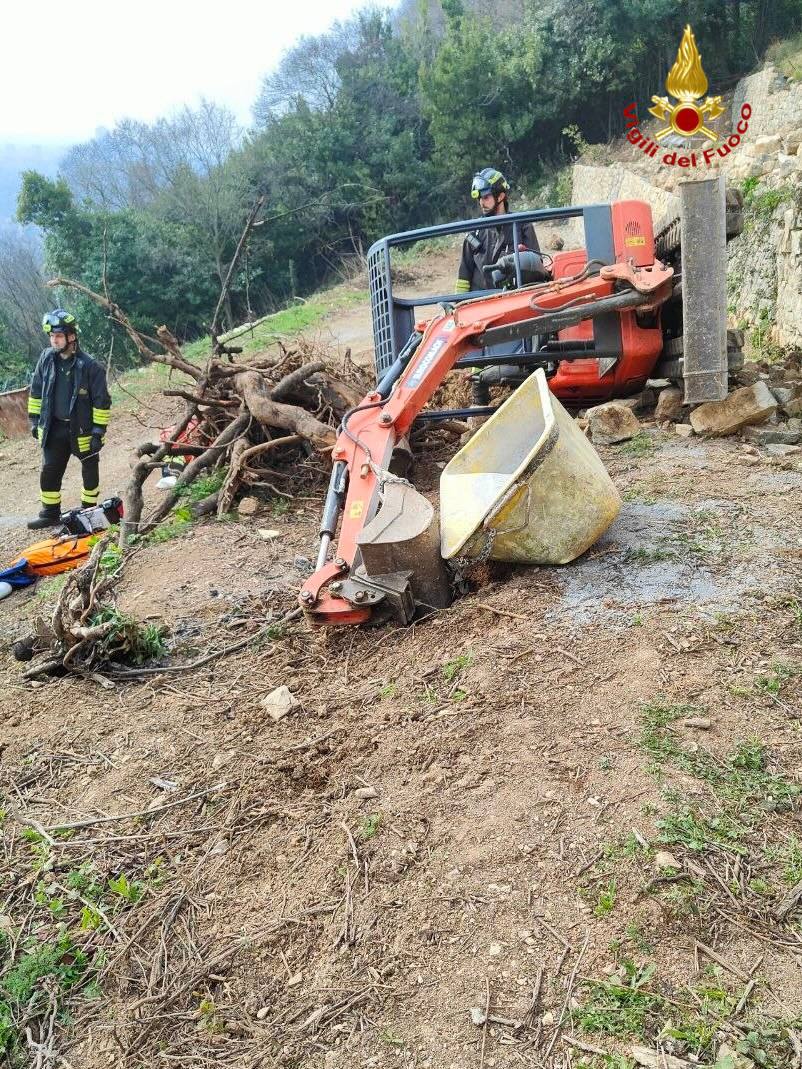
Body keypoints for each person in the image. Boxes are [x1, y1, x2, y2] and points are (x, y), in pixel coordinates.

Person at [26, 310, 112, 530]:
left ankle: (89, 511)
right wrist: (35, 422)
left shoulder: (91, 366)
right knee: (50, 471)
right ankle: (50, 514)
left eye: (58, 335)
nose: (54, 340)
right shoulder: (46, 358)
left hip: (82, 429)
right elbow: (36, 392)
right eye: (52, 336)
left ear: (71, 336)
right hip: (54, 428)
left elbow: (101, 402)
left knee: (89, 468)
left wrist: (98, 432)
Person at [455, 167, 540, 294]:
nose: (481, 202)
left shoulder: (522, 226)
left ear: (501, 196)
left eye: (486, 197)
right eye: (479, 198)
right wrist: (457, 306)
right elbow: (464, 276)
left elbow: (537, 266)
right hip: (480, 303)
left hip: (513, 299)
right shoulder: (474, 232)